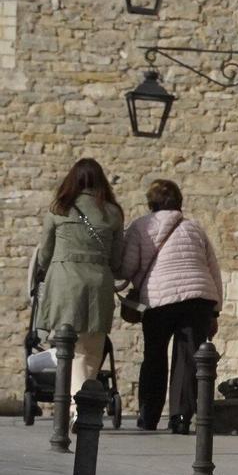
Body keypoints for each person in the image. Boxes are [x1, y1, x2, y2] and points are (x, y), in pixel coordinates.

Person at [118, 179, 223, 434]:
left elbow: (128, 267)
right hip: (198, 298)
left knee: (154, 355)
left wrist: (118, 283)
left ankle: (148, 414)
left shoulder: (141, 226)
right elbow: (213, 269)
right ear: (179, 201)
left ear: (150, 202)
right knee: (187, 358)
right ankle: (180, 417)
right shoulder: (193, 228)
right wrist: (215, 309)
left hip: (159, 298)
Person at [34, 158, 123, 412]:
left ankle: (75, 406)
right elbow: (116, 261)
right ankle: (79, 404)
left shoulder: (58, 208)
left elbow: (44, 255)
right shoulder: (113, 212)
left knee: (66, 347)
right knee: (91, 350)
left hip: (64, 283)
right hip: (98, 284)